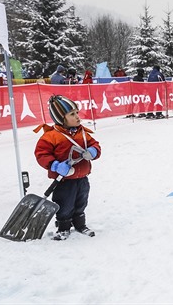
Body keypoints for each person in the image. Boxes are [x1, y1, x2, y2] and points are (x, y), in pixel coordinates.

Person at [34, 95, 101, 240]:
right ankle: (63, 227)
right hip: (64, 181)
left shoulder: (82, 132)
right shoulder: (51, 136)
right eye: (72, 114)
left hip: (82, 177)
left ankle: (80, 224)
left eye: (77, 112)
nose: (77, 117)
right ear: (61, 118)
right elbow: (41, 154)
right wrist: (55, 166)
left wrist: (93, 151)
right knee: (64, 204)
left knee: (81, 202)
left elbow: (94, 144)